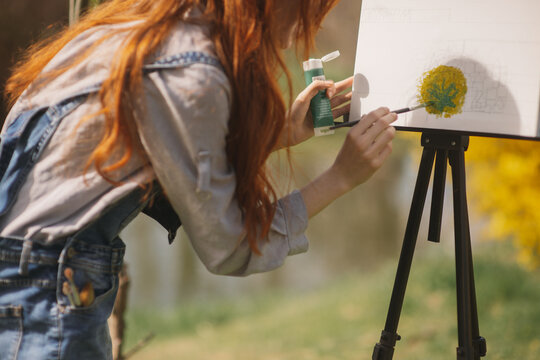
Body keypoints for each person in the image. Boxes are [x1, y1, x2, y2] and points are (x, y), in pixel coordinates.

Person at [0, 0, 397, 358]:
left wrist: (281, 136)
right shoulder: (192, 71)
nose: (301, 33)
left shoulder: (139, 28)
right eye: (309, 13)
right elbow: (230, 247)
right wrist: (340, 177)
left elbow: (171, 157)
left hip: (25, 281)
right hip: (45, 296)